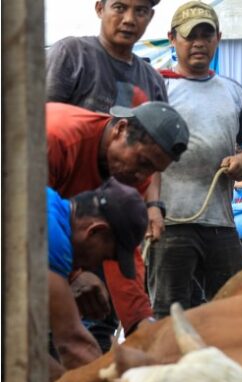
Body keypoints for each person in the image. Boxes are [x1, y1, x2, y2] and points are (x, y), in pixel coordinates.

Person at [148, 0, 242, 317]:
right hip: (172, 222)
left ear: (218, 38)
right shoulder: (158, 87)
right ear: (173, 39)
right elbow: (143, 156)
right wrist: (153, 209)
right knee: (168, 314)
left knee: (231, 310)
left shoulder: (233, 91)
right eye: (190, 36)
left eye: (206, 35)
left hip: (221, 222)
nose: (199, 43)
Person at [46, 100, 188, 338]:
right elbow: (23, 221)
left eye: (153, 170)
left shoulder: (133, 174)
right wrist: (74, 275)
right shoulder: (57, 138)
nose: (143, 176)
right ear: (120, 129)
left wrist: (138, 322)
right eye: (143, 162)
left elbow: (121, 242)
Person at [47, 179, 148, 380]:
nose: (95, 267)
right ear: (95, 231)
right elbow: (73, 344)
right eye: (104, 257)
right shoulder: (53, 239)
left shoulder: (49, 202)